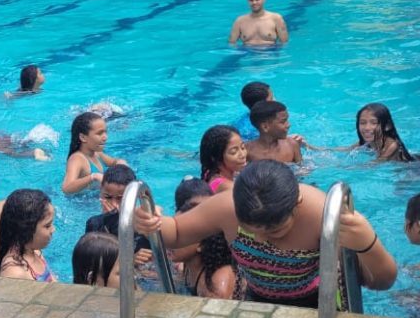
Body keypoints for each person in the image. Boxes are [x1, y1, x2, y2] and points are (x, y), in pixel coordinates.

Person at [134, 160, 397, 308]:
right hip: (256, 298)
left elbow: (381, 281)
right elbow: (178, 232)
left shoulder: (322, 215)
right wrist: (152, 222)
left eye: (275, 231)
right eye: (251, 230)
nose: (261, 239)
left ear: (296, 204)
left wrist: (368, 243)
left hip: (317, 303)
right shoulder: (227, 207)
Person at [170, 178, 236, 299]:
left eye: (178, 238)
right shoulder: (187, 265)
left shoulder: (216, 287)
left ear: (201, 244)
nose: (170, 243)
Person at [83, 164, 152, 268]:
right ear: (100, 191)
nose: (114, 204)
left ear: (134, 198)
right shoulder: (94, 224)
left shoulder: (142, 224)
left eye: (120, 198)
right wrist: (111, 220)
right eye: (108, 197)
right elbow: (93, 264)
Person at [0, 188, 56, 281]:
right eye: (47, 225)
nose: (53, 229)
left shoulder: (35, 251)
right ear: (26, 230)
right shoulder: (14, 272)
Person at [61, 111, 127, 194]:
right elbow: (66, 188)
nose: (105, 137)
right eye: (99, 133)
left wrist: (121, 163)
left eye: (105, 132)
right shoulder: (77, 159)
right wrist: (93, 177)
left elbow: (113, 162)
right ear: (83, 137)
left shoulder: (97, 154)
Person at [346, 103, 415, 162]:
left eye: (374, 123)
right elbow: (347, 149)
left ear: (387, 126)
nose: (367, 128)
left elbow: (375, 163)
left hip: (411, 168)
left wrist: (345, 168)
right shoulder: (366, 141)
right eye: (362, 123)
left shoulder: (392, 145)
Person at [200, 125, 247, 194]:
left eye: (243, 147)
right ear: (216, 158)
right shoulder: (230, 188)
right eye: (233, 152)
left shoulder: (210, 172)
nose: (242, 155)